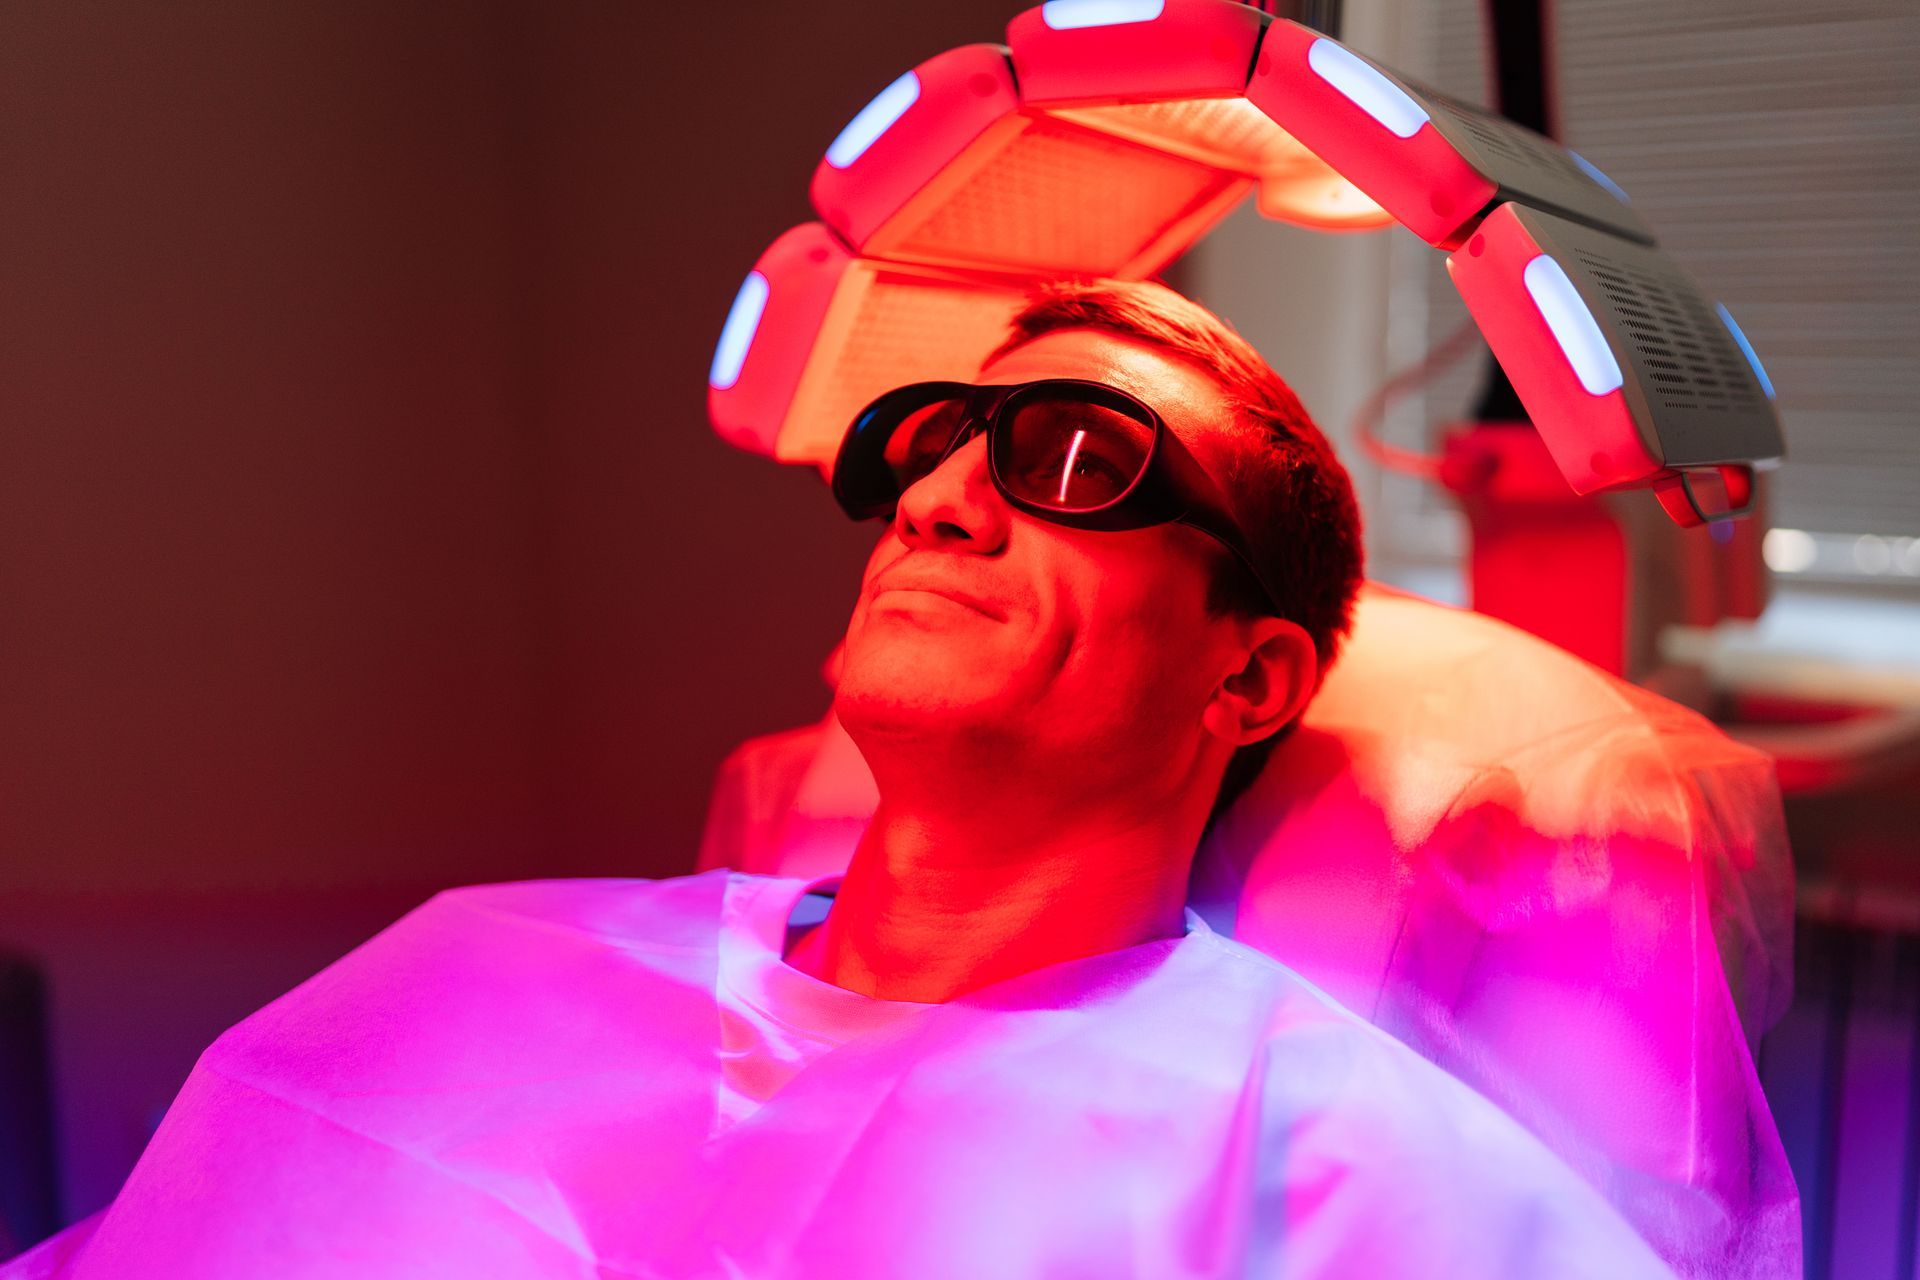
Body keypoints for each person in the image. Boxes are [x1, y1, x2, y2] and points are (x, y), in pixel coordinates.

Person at [3, 281, 1675, 1278]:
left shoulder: (1356, 1181)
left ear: (1250, 674)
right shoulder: (472, 967)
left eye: (1079, 459)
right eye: (932, 442)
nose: (938, 501)